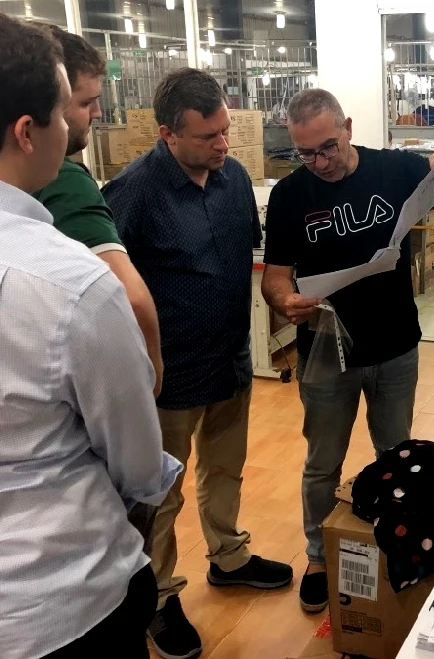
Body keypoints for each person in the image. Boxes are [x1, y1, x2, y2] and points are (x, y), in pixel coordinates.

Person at [0, 13, 180, 658]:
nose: (83, 124)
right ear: (28, 132)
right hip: (62, 599)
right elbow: (136, 461)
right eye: (66, 109)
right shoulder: (69, 282)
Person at [260, 89, 434, 613]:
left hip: (394, 344)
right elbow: (275, 276)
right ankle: (318, 557)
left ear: (349, 128)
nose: (320, 162)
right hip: (326, 351)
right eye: (306, 153)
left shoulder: (394, 169)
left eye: (328, 147)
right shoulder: (291, 195)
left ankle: (395, 543)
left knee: (397, 456)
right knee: (322, 463)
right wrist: (285, 300)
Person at [102, 68, 291, 659]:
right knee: (160, 492)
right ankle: (157, 596)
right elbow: (105, 284)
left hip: (230, 357)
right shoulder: (134, 191)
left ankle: (228, 556)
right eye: (208, 136)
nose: (223, 144)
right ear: (168, 134)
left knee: (225, 468)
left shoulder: (232, 179)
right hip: (169, 372)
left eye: (225, 130)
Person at [32, 26, 163, 398]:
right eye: (86, 102)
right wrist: (151, 375)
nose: (98, 112)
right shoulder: (62, 180)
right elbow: (131, 298)